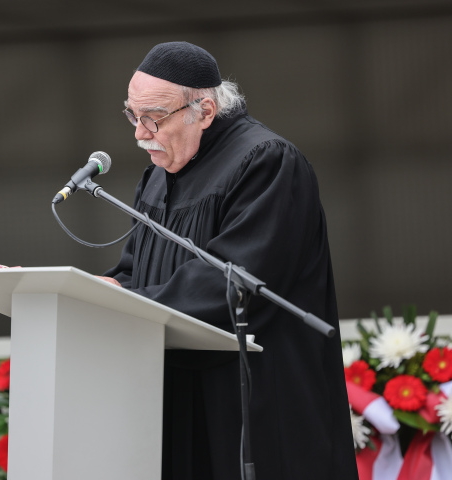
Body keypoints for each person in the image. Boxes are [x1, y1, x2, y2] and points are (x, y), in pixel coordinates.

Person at [98, 42, 358, 479]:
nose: (140, 133)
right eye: (132, 115)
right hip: (177, 391)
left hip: (253, 396)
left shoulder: (267, 161)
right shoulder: (160, 175)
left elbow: (234, 277)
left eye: (153, 118)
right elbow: (134, 270)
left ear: (204, 110)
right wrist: (98, 291)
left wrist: (130, 301)